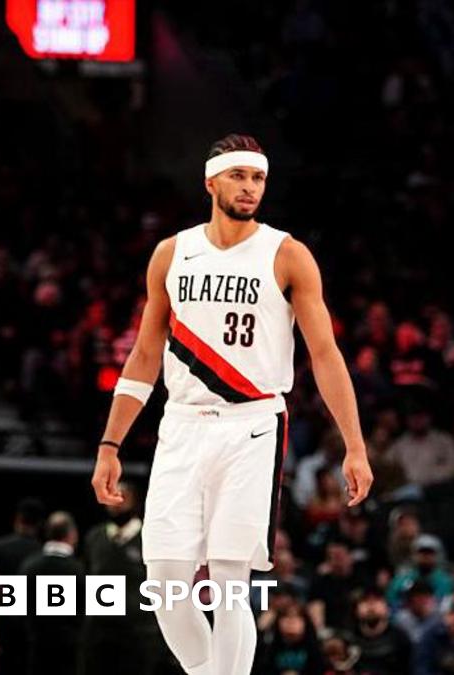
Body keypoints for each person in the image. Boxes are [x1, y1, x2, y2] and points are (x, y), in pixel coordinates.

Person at [89, 133, 374, 675]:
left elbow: (326, 355)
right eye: (240, 176)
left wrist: (354, 446)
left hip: (251, 425)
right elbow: (146, 353)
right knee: (165, 582)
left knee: (228, 578)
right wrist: (110, 443)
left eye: (259, 178)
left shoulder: (287, 254)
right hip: (182, 424)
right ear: (211, 181)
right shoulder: (172, 253)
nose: (250, 187)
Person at [80, 482, 169, 675]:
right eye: (112, 497)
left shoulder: (149, 536)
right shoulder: (94, 537)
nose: (117, 502)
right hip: (100, 630)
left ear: (135, 502)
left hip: (140, 630)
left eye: (122, 497)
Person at [0, 497, 44, 675]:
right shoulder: (42, 551)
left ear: (18, 518)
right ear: (40, 523)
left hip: (6, 624)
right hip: (34, 627)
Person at [20, 512, 84, 675]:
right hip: (70, 649)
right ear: (72, 535)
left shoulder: (28, 567)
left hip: (36, 645)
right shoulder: (80, 570)